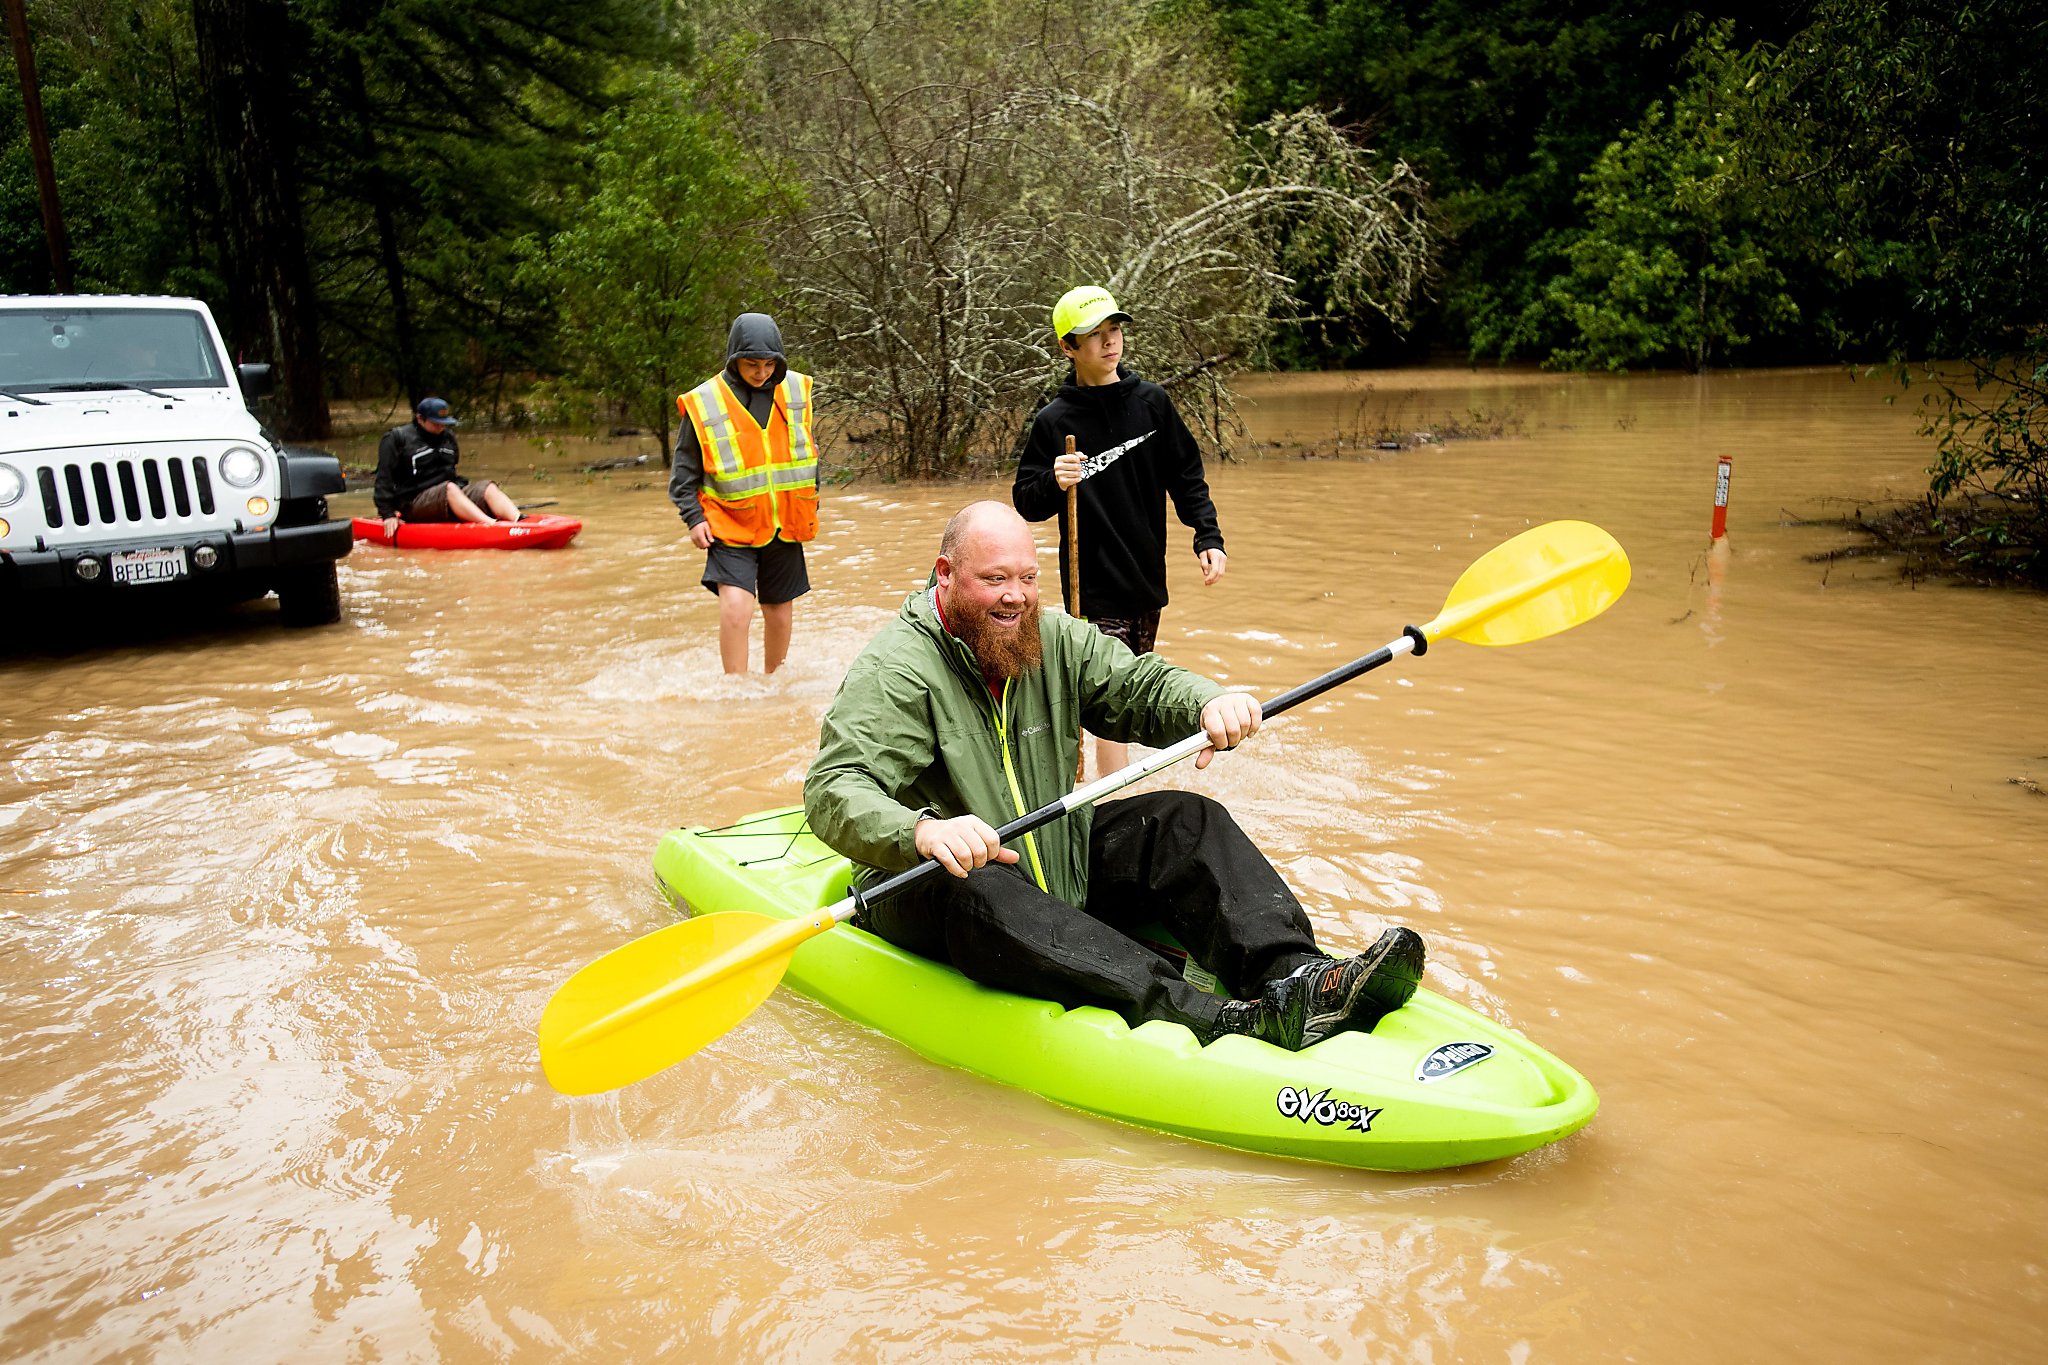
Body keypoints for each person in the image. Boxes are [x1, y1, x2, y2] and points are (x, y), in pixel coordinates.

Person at [803, 501, 1425, 1051]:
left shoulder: (1049, 638)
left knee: (1184, 818)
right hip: (942, 885)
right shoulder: (897, 669)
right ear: (945, 576)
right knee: (980, 883)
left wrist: (1208, 702)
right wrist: (923, 831)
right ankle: (1218, 1020)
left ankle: (1297, 978)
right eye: (993, 579)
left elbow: (1139, 685)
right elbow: (834, 790)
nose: (1015, 596)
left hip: (1050, 859)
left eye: (1026, 577)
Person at [1013, 285, 1228, 777]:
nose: (1111, 343)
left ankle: (1102, 785)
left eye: (1115, 331)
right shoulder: (1054, 421)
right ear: (1068, 348)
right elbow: (1025, 501)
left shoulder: (1152, 403)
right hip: (1091, 590)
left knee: (1128, 690)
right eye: (1096, 336)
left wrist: (1207, 536)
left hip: (1146, 581)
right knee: (1114, 696)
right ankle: (1114, 801)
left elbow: (1186, 475)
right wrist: (1055, 479)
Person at [670, 313, 818, 674]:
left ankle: (774, 684)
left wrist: (812, 500)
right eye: (752, 364)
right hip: (728, 522)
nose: (761, 372)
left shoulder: (796, 391)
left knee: (780, 611)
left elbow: (808, 454)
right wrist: (693, 518)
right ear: (734, 358)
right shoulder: (706, 401)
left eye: (769, 364)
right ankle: (736, 691)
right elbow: (684, 471)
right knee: (736, 607)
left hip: (785, 521)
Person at [372, 397, 522, 535]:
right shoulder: (396, 438)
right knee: (449, 489)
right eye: (435, 423)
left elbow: (452, 471)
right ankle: (491, 526)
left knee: (487, 487)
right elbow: (384, 477)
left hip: (450, 494)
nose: (440, 428)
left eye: (443, 423)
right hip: (414, 502)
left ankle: (521, 522)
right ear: (420, 419)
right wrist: (388, 514)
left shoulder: (448, 438)